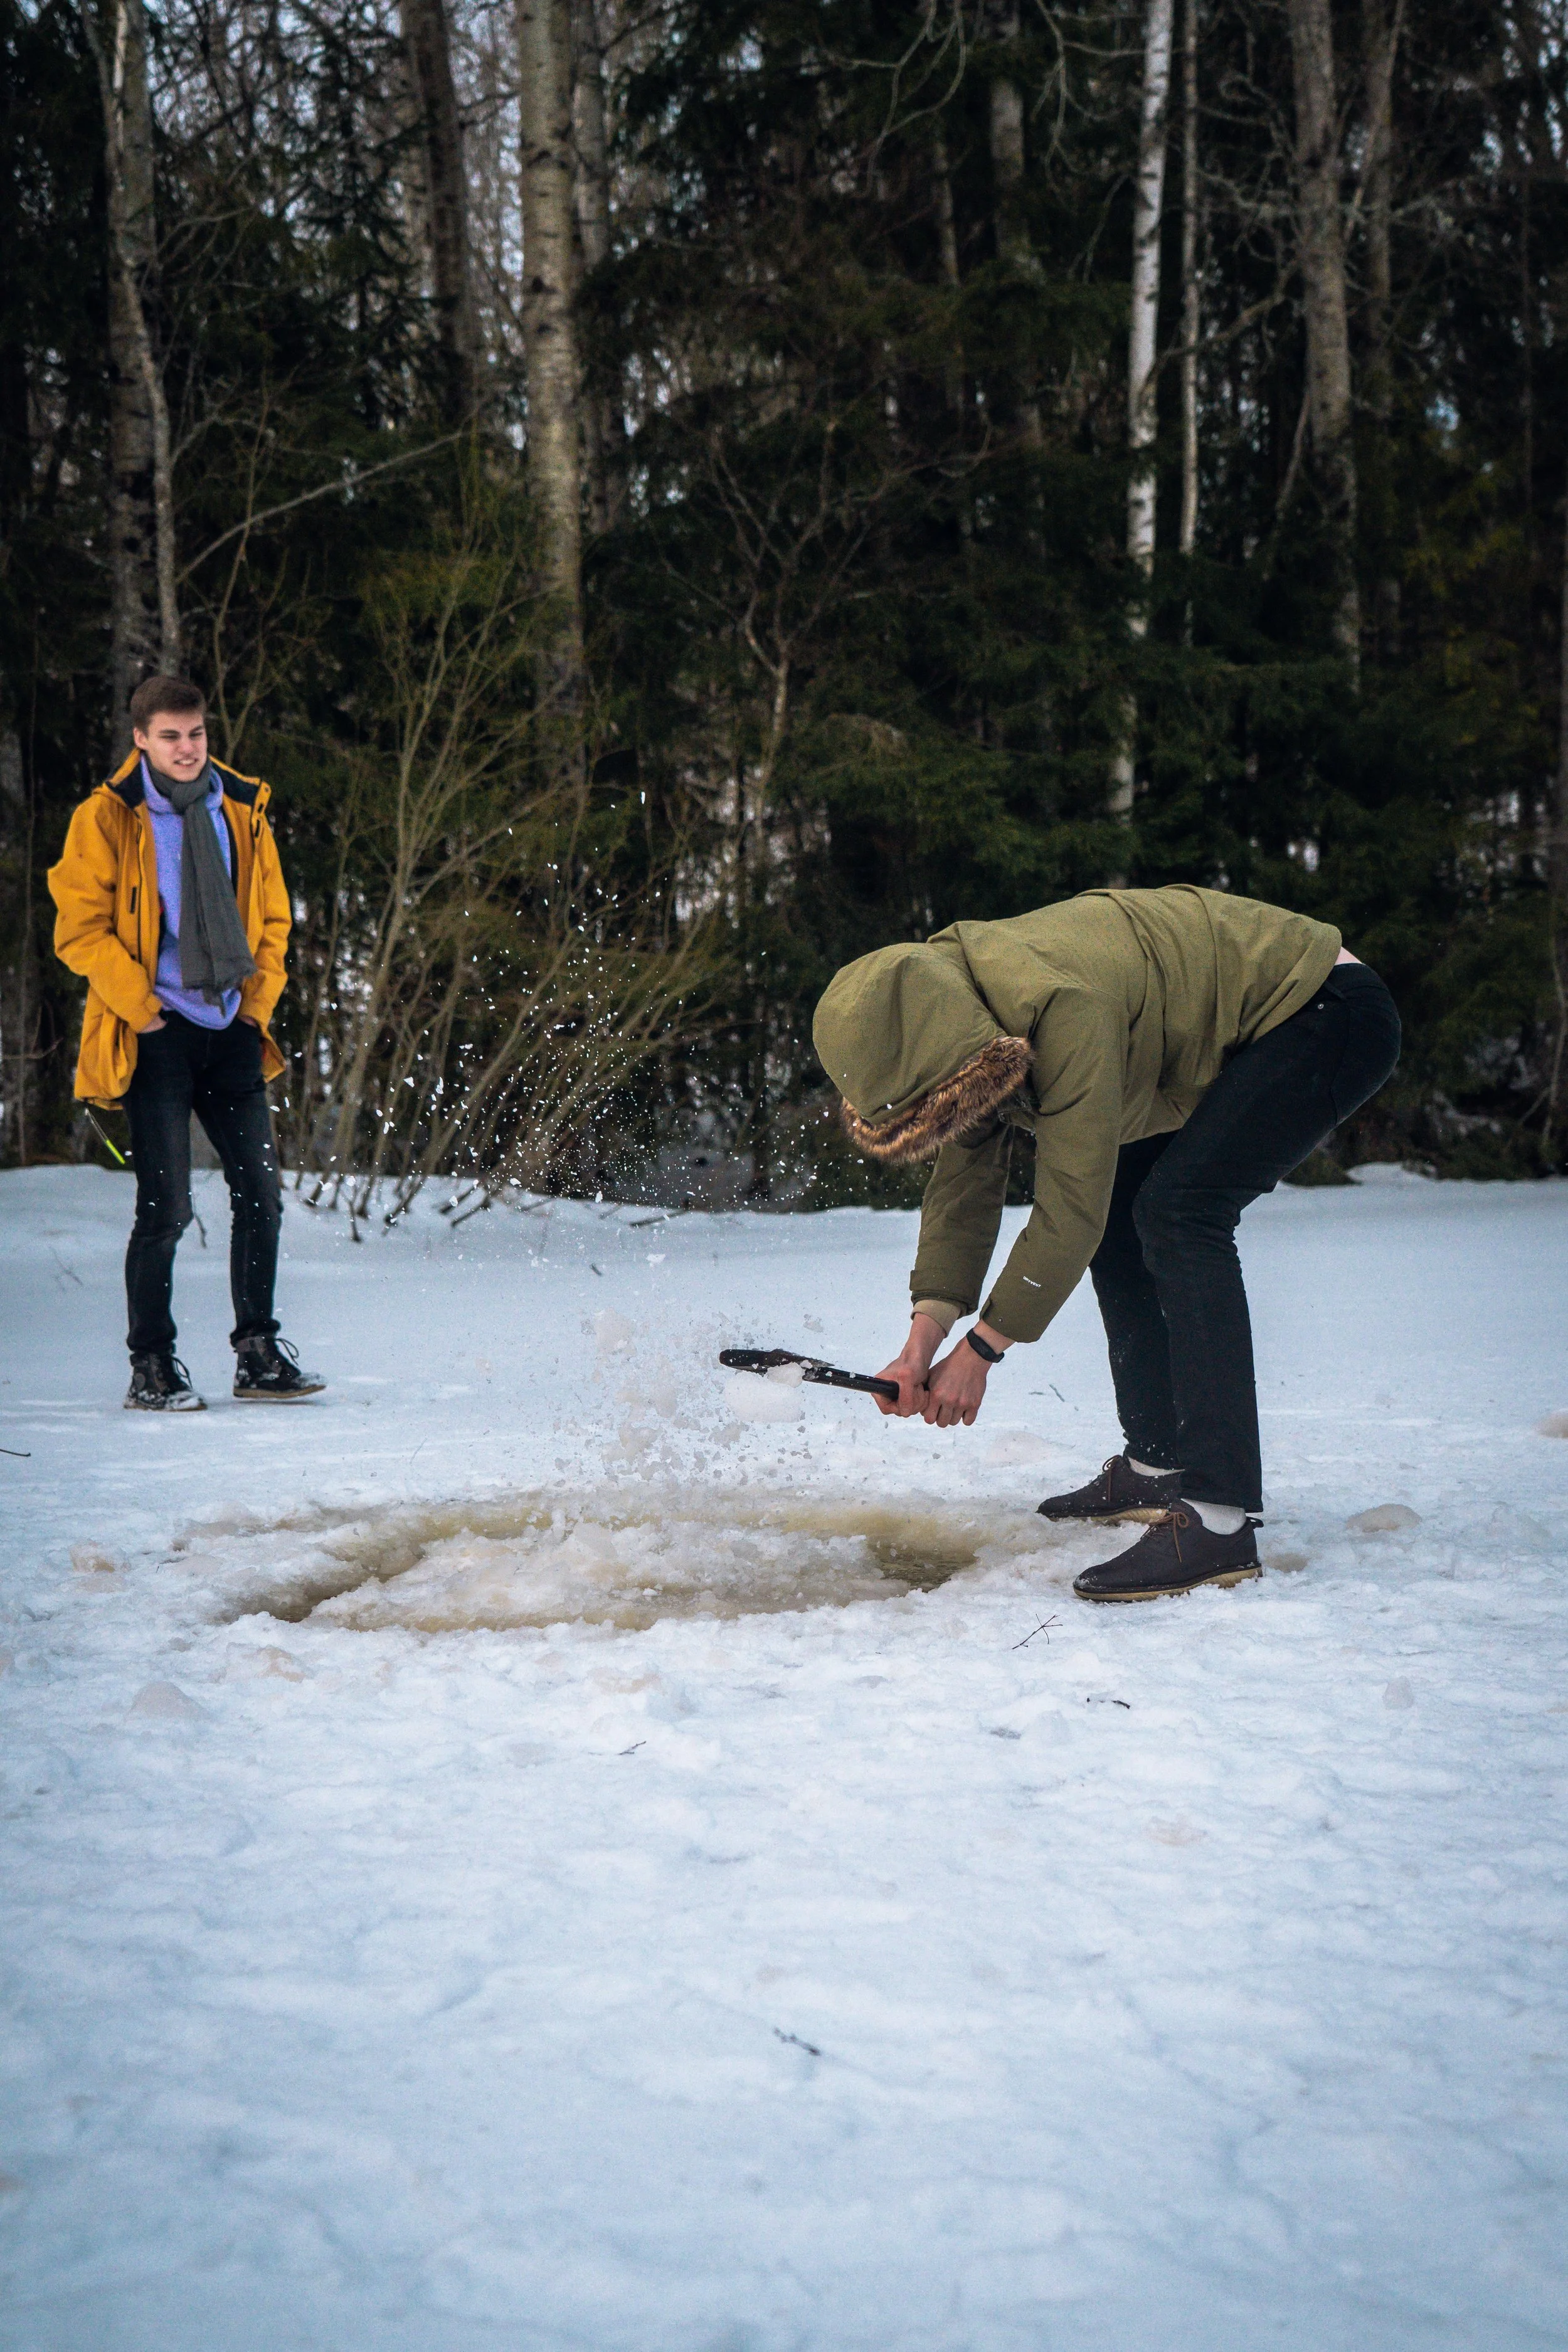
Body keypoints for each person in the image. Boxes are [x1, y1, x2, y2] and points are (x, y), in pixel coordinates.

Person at [813, 885, 1400, 1603]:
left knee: (1180, 1213)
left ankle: (1217, 1519)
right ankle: (1157, 1467)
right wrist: (920, 1342)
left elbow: (1069, 1208)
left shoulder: (1060, 1008)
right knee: (1129, 1209)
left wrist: (982, 1350)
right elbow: (962, 1194)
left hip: (1322, 1012)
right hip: (1262, 1022)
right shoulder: (954, 1013)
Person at [48, 675, 324, 1411]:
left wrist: (253, 1005)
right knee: (166, 1208)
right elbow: (79, 931)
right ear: (140, 738)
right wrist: (141, 1013)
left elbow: (272, 917)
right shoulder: (108, 818)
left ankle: (258, 1354)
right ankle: (152, 1364)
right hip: (155, 1035)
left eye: (195, 734)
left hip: (231, 1026)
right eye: (169, 736)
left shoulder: (240, 808)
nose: (186, 748)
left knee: (261, 1196)